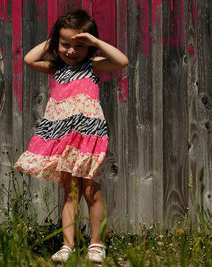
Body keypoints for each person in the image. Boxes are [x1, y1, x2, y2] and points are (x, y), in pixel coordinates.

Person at [14, 9, 128, 263]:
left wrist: (97, 43)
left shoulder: (92, 66)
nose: (72, 51)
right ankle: (68, 245)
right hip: (63, 136)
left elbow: (122, 62)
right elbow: (29, 59)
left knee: (91, 192)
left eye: (79, 45)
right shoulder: (56, 68)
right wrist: (53, 41)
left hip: (89, 136)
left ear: (88, 47)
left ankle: (96, 245)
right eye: (66, 45)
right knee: (70, 193)